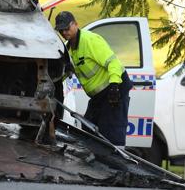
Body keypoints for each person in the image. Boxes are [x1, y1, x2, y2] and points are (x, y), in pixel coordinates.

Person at [54, 11, 133, 146]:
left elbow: (113, 63)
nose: (65, 33)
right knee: (89, 127)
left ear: (76, 24)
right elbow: (67, 73)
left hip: (114, 89)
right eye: (61, 30)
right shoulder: (70, 50)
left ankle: (116, 162)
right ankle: (97, 158)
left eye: (67, 28)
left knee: (111, 130)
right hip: (99, 96)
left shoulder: (90, 40)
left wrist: (114, 86)